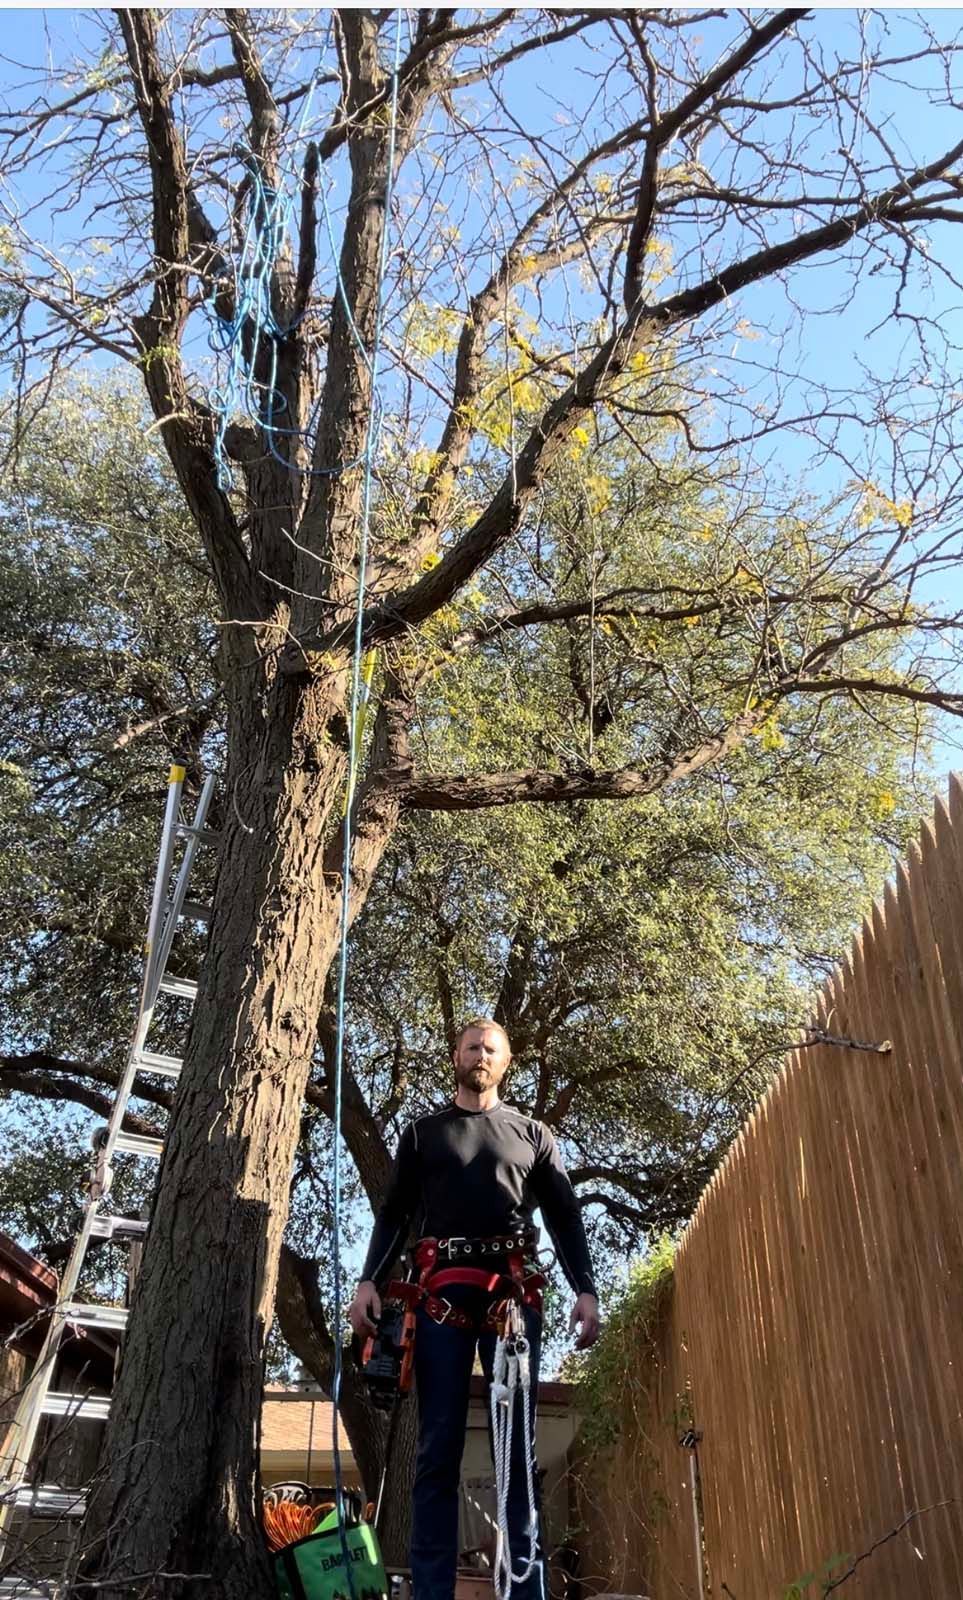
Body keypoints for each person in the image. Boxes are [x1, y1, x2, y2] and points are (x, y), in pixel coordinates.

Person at [348, 1018, 600, 1600]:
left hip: (512, 1298)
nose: (480, 1055)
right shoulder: (422, 1134)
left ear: (505, 1062)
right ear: (455, 1055)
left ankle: (524, 1587)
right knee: (437, 1444)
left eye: (491, 1049)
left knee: (518, 1447)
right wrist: (369, 1281)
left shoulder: (533, 1135)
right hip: (440, 1297)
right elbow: (394, 1213)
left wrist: (584, 1288)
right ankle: (432, 1591)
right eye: (471, 1047)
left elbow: (563, 1216)